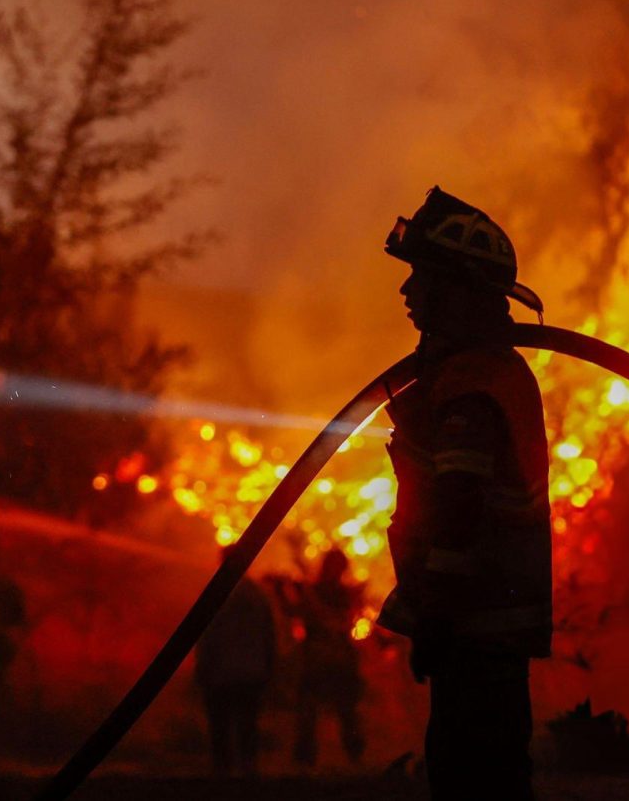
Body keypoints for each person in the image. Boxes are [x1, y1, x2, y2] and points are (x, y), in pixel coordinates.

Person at [376, 186, 553, 800]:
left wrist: (438, 614)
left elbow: (458, 509)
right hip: (482, 625)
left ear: (456, 290)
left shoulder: (473, 386)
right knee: (484, 770)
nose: (407, 291)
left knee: (472, 777)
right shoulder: (471, 371)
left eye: (420, 277)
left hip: (475, 622)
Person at [275, 548, 366, 768]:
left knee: (337, 712)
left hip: (326, 661)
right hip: (329, 662)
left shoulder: (333, 593)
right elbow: (294, 611)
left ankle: (346, 758)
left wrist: (284, 591)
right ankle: (323, 760)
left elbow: (295, 611)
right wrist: (282, 590)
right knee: (323, 713)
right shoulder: (340, 593)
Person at [193, 544, 277, 777]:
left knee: (220, 724)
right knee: (247, 723)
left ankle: (223, 772)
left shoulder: (216, 592)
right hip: (251, 671)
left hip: (222, 671)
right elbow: (269, 635)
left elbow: (206, 634)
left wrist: (203, 666)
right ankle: (248, 770)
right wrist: (269, 667)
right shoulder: (257, 594)